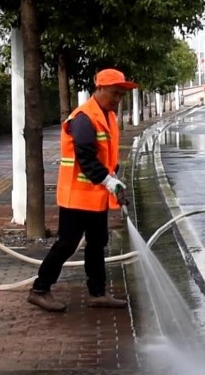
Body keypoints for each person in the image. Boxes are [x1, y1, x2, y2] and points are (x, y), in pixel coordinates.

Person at [28, 68, 136, 312]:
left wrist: (114, 177)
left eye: (121, 95)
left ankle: (97, 293)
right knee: (66, 244)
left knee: (98, 242)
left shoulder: (105, 115)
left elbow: (105, 157)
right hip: (76, 196)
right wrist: (110, 182)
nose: (118, 99)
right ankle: (39, 289)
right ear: (99, 89)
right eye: (114, 93)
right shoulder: (84, 118)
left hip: (94, 196)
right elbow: (86, 159)